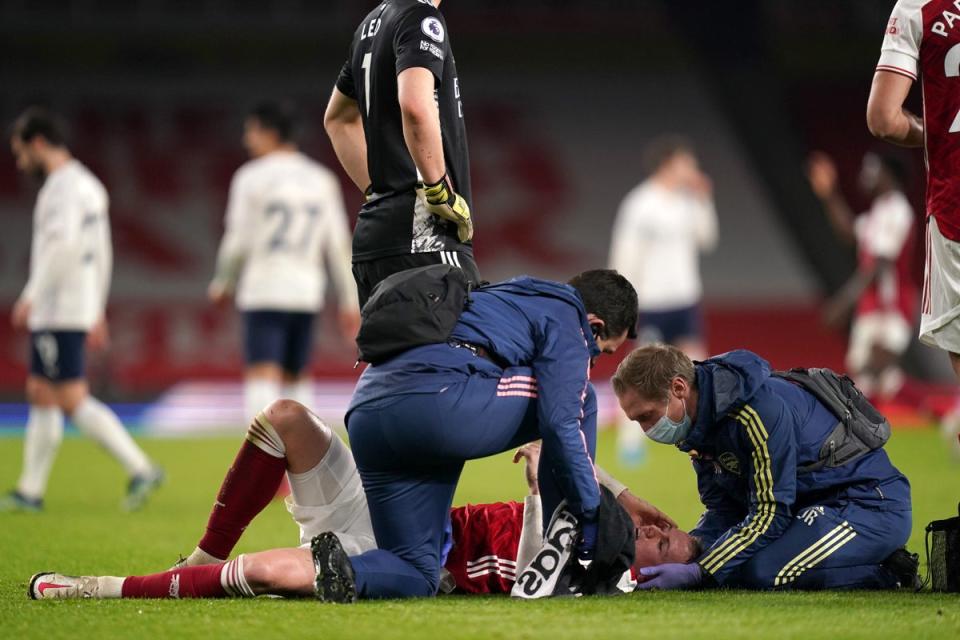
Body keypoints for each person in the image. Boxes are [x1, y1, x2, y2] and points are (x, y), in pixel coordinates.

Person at [28, 400, 690, 600]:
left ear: (639, 563)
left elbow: (555, 457)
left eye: (659, 538)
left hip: (391, 560)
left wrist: (598, 486)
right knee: (286, 418)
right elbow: (562, 462)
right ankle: (198, 554)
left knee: (264, 572)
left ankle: (101, 588)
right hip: (385, 510)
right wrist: (624, 492)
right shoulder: (592, 534)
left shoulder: (576, 563)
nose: (653, 527)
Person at [299, 269, 638, 602]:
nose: (593, 360)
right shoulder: (568, 318)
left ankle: (342, 569)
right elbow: (560, 422)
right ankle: (563, 545)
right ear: (594, 326)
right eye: (602, 351)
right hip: (434, 405)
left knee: (417, 572)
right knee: (580, 399)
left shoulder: (508, 293)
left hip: (368, 413)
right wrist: (591, 514)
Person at [612, 343, 919, 591]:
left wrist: (701, 571)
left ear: (678, 388)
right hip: (811, 508)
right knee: (732, 560)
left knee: (762, 571)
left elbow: (771, 511)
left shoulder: (754, 412)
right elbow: (725, 509)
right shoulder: (699, 425)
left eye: (646, 416)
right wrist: (690, 549)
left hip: (866, 504)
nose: (646, 429)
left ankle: (891, 572)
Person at [1, 107, 163, 513]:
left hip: (58, 306)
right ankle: (30, 490)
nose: (20, 163)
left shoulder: (61, 188)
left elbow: (64, 245)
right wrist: (97, 308)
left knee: (69, 397)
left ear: (38, 143)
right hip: (75, 303)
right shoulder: (89, 185)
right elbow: (101, 254)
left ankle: (140, 467)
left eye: (21, 153)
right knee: (41, 391)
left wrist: (32, 294)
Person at [323, 0, 480, 309]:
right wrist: (438, 191)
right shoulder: (420, 17)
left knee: (392, 357)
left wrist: (380, 191)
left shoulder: (370, 26)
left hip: (376, 237)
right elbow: (415, 106)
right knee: (460, 350)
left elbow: (337, 119)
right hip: (425, 235)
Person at [208, 102, 359, 421]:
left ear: (269, 133)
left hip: (264, 288)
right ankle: (306, 459)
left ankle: (261, 461)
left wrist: (224, 282)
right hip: (306, 292)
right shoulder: (321, 180)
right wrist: (349, 299)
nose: (247, 140)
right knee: (297, 376)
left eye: (251, 131)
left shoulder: (250, 177)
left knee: (262, 373)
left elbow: (237, 239)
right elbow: (338, 245)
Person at [870, 0, 960, 456]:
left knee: (872, 372)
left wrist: (939, 129)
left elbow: (883, 118)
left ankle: (944, 416)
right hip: (878, 306)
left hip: (955, 214)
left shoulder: (920, 9)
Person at [608, 136, 718, 466]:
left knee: (697, 369)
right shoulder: (640, 204)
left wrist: (704, 200)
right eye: (687, 162)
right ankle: (630, 443)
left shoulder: (688, 202)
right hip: (652, 301)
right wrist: (624, 301)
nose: (693, 170)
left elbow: (707, 239)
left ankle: (706, 435)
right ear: (670, 164)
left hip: (684, 299)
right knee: (642, 372)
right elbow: (624, 253)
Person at [806, 151, 916, 401]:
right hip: (871, 306)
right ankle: (946, 416)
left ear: (889, 175)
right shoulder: (879, 211)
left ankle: (866, 438)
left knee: (871, 376)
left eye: (873, 170)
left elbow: (879, 265)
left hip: (888, 306)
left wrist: (843, 304)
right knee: (876, 380)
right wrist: (830, 194)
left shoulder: (897, 210)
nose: (865, 175)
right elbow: (850, 231)